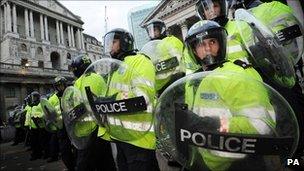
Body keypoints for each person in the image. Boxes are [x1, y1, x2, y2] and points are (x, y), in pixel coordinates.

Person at [196, 0, 304, 159]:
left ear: (223, 7)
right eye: (206, 9)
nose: (211, 11)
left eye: (215, 6)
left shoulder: (241, 25)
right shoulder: (207, 38)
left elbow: (264, 50)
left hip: (256, 82)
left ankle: (294, 155)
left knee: (284, 115)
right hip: (228, 90)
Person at [182, 20, 278, 171]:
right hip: (205, 161)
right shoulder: (193, 81)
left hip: (240, 162)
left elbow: (262, 125)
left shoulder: (239, 73)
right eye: (200, 44)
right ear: (194, 51)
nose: (207, 49)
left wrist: (213, 124)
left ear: (221, 43)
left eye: (212, 41)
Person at [102, 28, 159, 171]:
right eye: (108, 43)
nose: (110, 46)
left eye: (113, 42)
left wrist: (111, 100)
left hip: (139, 139)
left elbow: (142, 97)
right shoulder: (114, 69)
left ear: (125, 42)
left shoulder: (140, 61)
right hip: (120, 138)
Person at [68, 55, 116, 171]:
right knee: (106, 163)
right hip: (102, 128)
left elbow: (76, 104)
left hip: (88, 131)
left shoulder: (79, 82)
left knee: (84, 165)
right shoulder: (98, 78)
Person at [143, 19, 185, 96]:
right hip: (159, 86)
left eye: (154, 30)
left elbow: (176, 58)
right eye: (150, 31)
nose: (152, 33)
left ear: (161, 30)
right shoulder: (149, 47)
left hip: (174, 79)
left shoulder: (171, 40)